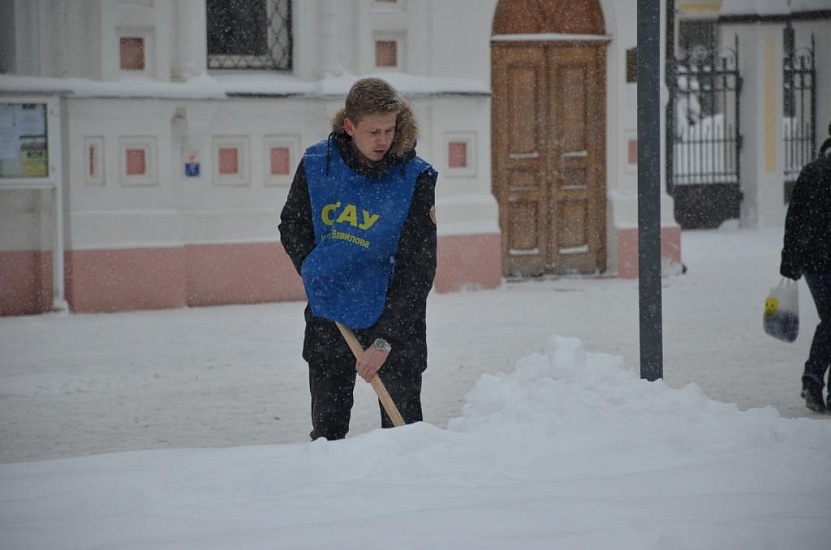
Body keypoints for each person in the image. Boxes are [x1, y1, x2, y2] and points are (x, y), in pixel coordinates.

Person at [278, 78, 438, 440]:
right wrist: (316, 272)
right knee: (328, 435)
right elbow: (293, 225)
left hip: (395, 316)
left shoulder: (414, 177)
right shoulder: (318, 165)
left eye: (389, 129)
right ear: (349, 127)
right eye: (373, 131)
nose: (383, 140)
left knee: (403, 434)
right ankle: (330, 495)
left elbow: (418, 267)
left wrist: (385, 340)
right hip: (331, 313)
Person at [780, 126, 831, 413]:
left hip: (814, 263)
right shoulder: (816, 172)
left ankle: (815, 380)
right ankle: (812, 377)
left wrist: (790, 262)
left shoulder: (812, 172)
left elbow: (795, 218)